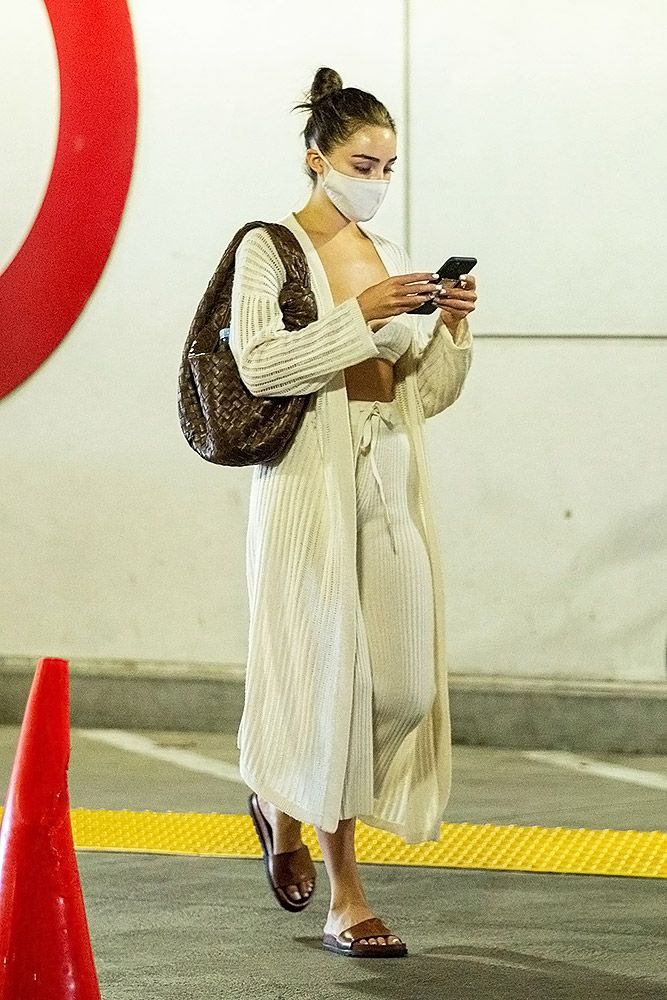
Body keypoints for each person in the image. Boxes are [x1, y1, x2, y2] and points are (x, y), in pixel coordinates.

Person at [229, 66, 477, 959]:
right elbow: (260, 365)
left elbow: (424, 396)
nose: (376, 181)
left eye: (387, 167)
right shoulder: (269, 249)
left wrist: (451, 327)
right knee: (331, 679)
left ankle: (280, 800)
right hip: (308, 485)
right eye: (362, 165)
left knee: (404, 689)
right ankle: (347, 897)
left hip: (389, 474)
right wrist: (359, 315)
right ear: (316, 158)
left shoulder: (386, 250)